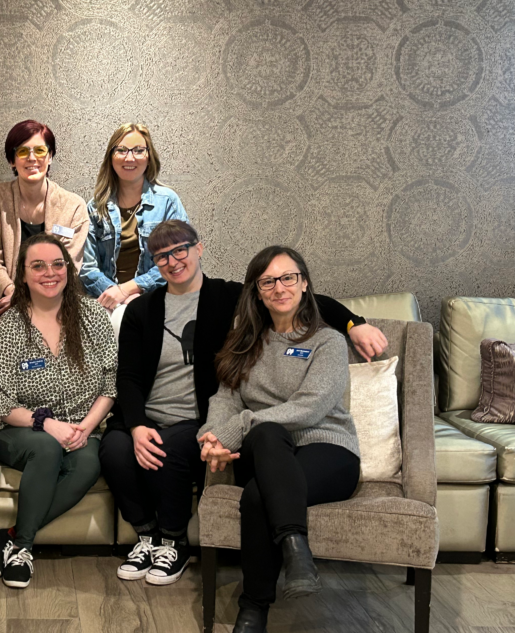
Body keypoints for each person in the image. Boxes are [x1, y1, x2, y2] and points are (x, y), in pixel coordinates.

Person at [100, 220, 386, 588]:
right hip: (154, 415)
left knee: (175, 450)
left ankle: (175, 542)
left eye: (180, 250)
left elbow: (301, 299)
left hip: (196, 417)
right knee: (114, 450)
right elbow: (129, 376)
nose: (172, 261)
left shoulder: (229, 297)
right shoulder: (144, 310)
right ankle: (147, 536)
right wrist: (138, 425)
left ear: (199, 249)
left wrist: (353, 323)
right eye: (161, 256)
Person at [198, 245, 362, 633]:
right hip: (265, 448)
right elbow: (225, 398)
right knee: (269, 435)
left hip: (328, 451)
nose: (280, 287)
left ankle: (253, 620)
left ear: (305, 283)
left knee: (257, 496)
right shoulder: (244, 342)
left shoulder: (328, 341)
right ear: (257, 291)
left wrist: (241, 426)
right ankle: (296, 550)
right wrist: (211, 439)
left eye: (288, 277)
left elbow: (309, 409)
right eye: (268, 281)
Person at [0, 234, 117, 588]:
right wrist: (47, 424)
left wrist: (86, 428)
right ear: (23, 275)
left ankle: (11, 537)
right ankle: (24, 549)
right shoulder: (12, 323)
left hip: (81, 427)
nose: (50, 272)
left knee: (90, 461)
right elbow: (0, 402)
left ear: (68, 270)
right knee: (45, 448)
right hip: (21, 430)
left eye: (58, 264)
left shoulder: (92, 316)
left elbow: (110, 383)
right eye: (38, 265)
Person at [79, 123, 189, 333]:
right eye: (122, 150)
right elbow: (86, 267)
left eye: (138, 150)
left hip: (158, 298)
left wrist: (132, 289)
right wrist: (114, 294)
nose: (130, 158)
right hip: (106, 302)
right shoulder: (95, 208)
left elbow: (181, 258)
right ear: (111, 157)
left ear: (149, 157)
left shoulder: (167, 202)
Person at [0, 120, 89, 318]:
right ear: (12, 160)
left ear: (50, 156)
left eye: (39, 151)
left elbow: (68, 266)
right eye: (23, 152)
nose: (32, 158)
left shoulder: (74, 207)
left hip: (57, 301)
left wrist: (29, 299)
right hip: (7, 301)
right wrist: (13, 293)